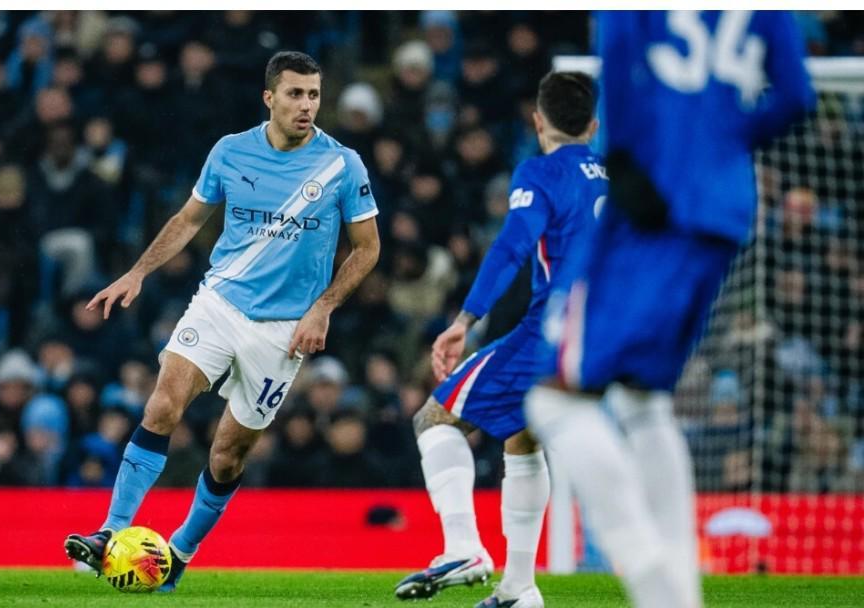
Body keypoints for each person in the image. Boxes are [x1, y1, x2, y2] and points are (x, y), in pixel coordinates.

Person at [524, 11, 815, 608]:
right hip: (726, 212)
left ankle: (646, 571)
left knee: (553, 399)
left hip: (652, 207)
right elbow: (795, 97)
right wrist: (721, 143)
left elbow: (620, 81)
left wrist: (629, 165)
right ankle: (680, 593)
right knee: (644, 399)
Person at [64, 50, 380, 592]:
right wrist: (137, 272)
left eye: (313, 95)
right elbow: (190, 219)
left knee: (228, 454)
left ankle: (180, 552)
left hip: (283, 331)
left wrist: (323, 307)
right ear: (269, 98)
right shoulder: (230, 151)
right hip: (219, 302)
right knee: (162, 404)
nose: (306, 105)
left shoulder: (342, 165)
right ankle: (109, 533)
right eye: (295, 94)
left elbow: (368, 248)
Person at [395, 71, 607, 608]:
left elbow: (513, 246)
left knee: (435, 418)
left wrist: (464, 319)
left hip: (549, 333)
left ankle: (463, 547)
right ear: (593, 125)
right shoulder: (616, 178)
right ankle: (519, 588)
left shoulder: (541, 172)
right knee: (522, 437)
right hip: (603, 338)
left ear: (537, 121)